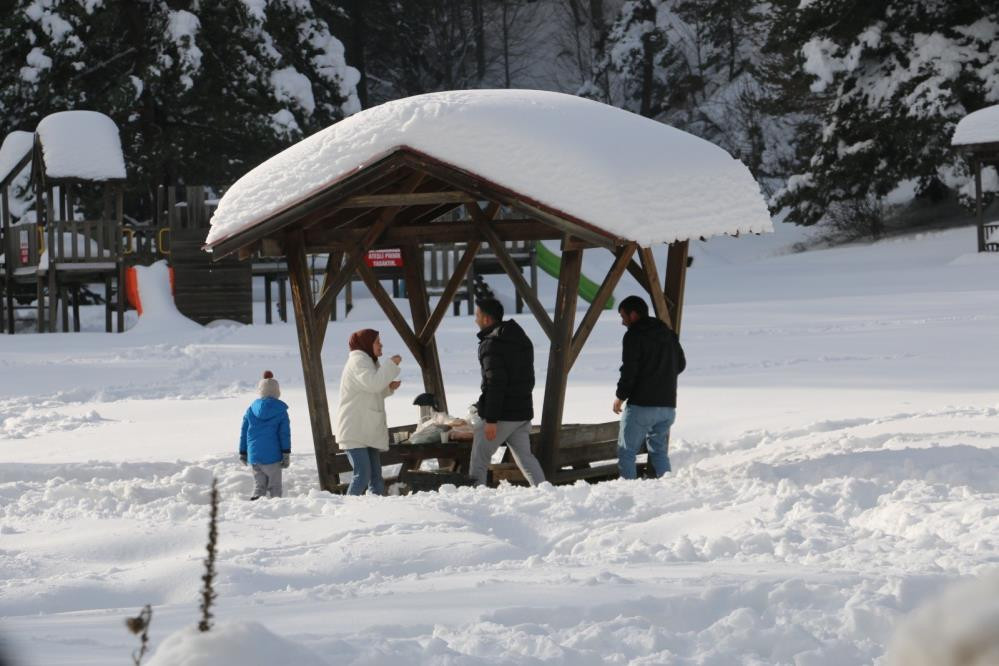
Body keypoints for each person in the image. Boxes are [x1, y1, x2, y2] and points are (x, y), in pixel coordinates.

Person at [469, 298, 545, 487]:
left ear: (486, 319)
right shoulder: (520, 337)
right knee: (526, 459)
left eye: (477, 315)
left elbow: (495, 383)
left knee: (478, 462)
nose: (475, 319)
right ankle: (545, 491)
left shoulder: (492, 344)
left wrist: (491, 419)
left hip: (502, 415)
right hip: (522, 412)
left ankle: (473, 501)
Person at [613, 295, 686, 479]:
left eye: (624, 317)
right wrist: (662, 377)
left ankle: (627, 495)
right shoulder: (667, 333)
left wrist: (620, 396)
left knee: (627, 452)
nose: (622, 323)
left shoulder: (633, 335)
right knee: (659, 452)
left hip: (641, 406)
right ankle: (667, 485)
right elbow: (681, 364)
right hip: (668, 407)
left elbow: (629, 370)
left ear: (634, 314)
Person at [335, 329, 402, 495]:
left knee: (376, 478)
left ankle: (375, 511)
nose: (381, 345)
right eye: (377, 341)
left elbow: (371, 391)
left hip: (366, 429)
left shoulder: (369, 362)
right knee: (363, 474)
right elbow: (373, 384)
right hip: (355, 430)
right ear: (367, 344)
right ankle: (348, 512)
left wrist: (387, 387)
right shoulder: (358, 361)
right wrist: (391, 365)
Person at [239, 370, 291, 499]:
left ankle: (256, 506)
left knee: (259, 486)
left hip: (254, 456)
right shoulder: (280, 411)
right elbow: (284, 434)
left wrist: (243, 452)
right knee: (275, 487)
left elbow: (244, 432)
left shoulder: (251, 409)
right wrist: (286, 453)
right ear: (277, 392)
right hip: (272, 457)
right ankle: (276, 508)